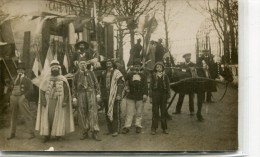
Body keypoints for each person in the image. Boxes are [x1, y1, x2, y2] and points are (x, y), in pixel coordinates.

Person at [36, 60, 74, 143]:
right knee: (47, 118)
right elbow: (42, 90)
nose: (55, 69)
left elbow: (67, 91)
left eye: (56, 68)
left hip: (59, 102)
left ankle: (58, 135)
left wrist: (65, 101)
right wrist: (43, 100)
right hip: (48, 101)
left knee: (59, 118)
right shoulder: (46, 79)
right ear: (51, 69)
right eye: (53, 68)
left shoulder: (63, 79)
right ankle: (46, 135)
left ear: (59, 68)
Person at [72, 58, 102, 141]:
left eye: (84, 63)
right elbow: (73, 87)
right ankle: (85, 131)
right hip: (80, 94)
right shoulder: (76, 75)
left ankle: (95, 132)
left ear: (86, 64)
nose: (83, 65)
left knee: (93, 112)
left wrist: (98, 94)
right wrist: (74, 97)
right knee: (82, 112)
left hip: (91, 93)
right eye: (81, 63)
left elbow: (96, 83)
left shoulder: (91, 73)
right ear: (78, 65)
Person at [7, 62, 35, 140]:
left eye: (21, 69)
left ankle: (31, 133)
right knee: (13, 116)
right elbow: (10, 88)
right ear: (17, 71)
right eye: (18, 69)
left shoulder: (27, 80)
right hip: (14, 98)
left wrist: (24, 96)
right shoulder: (13, 79)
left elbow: (31, 90)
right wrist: (10, 96)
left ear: (24, 71)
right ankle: (12, 133)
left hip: (22, 98)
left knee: (27, 115)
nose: (19, 71)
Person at [122, 59, 148, 134]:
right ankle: (127, 126)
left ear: (140, 67)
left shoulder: (143, 75)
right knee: (129, 112)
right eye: (135, 66)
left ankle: (138, 126)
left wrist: (145, 94)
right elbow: (122, 79)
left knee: (139, 112)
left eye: (138, 66)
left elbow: (145, 85)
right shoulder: (129, 74)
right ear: (133, 67)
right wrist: (125, 87)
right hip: (131, 96)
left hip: (140, 96)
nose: (137, 68)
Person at [100, 59, 125, 137]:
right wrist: (102, 95)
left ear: (113, 64)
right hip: (106, 96)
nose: (108, 64)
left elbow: (120, 84)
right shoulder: (103, 73)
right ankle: (110, 130)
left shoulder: (117, 73)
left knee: (115, 112)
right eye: (107, 63)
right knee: (107, 112)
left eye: (110, 63)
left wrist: (119, 94)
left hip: (114, 95)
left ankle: (116, 130)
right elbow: (102, 85)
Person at [150, 62, 170, 135]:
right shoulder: (153, 76)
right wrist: (151, 97)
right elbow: (151, 87)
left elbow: (168, 87)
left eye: (160, 67)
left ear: (162, 68)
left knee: (163, 111)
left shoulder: (166, 76)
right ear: (155, 68)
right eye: (157, 67)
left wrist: (168, 97)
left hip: (163, 95)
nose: (159, 68)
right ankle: (154, 128)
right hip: (155, 94)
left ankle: (164, 128)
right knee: (155, 112)